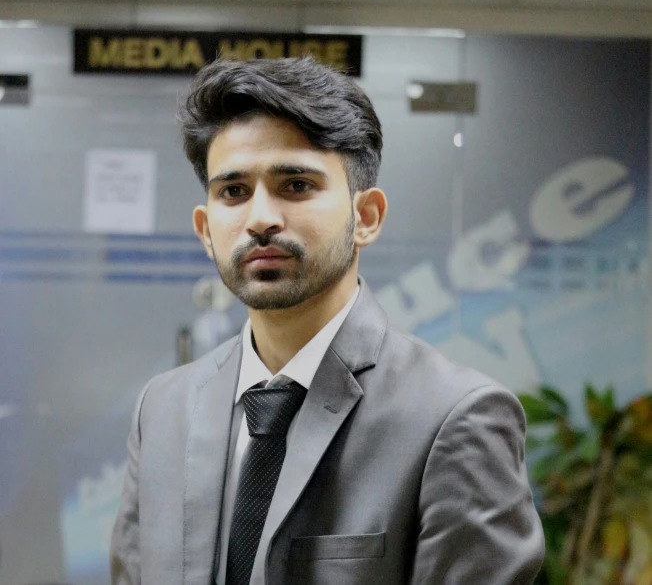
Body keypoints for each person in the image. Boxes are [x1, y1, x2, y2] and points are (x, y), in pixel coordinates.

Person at [110, 56, 544, 585]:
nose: (261, 218)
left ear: (366, 217)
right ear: (205, 230)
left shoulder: (454, 420)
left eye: (296, 185)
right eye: (233, 191)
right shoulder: (163, 409)